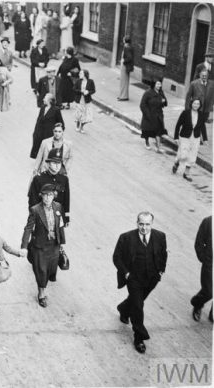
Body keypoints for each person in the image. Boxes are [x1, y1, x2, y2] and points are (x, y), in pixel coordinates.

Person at [113, 211, 168, 353]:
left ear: (152, 224)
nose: (144, 228)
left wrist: (161, 270)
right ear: (137, 223)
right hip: (134, 278)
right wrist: (126, 273)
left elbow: (163, 254)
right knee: (138, 306)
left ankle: (123, 309)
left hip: (152, 278)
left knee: (136, 301)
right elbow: (116, 257)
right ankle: (139, 337)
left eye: (147, 224)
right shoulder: (126, 238)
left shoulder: (160, 236)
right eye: (141, 224)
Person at [21, 184, 66, 308]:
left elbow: (60, 225)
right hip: (40, 246)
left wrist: (61, 243)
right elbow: (28, 229)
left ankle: (43, 285)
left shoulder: (58, 207)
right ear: (41, 196)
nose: (47, 198)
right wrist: (24, 246)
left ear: (53, 196)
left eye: (50, 195)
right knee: (41, 271)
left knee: (51, 269)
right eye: (45, 195)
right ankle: (41, 294)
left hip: (54, 246)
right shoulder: (35, 210)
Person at [28, 150, 71, 225]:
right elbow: (33, 201)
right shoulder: (38, 179)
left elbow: (66, 200)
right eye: (54, 163)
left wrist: (66, 218)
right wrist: (35, 219)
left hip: (58, 219)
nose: (57, 166)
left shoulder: (64, 179)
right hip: (42, 219)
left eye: (59, 163)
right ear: (48, 164)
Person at [172, 98, 208, 182]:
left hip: (195, 138)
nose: (196, 105)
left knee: (192, 155)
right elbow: (178, 125)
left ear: (200, 105)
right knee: (183, 155)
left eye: (198, 104)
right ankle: (177, 161)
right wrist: (176, 137)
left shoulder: (201, 114)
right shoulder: (185, 113)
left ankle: (186, 173)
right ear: (191, 104)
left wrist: (205, 139)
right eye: (194, 103)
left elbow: (203, 127)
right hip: (185, 136)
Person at [191, 216, 213, 322]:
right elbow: (199, 242)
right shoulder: (208, 221)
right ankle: (197, 303)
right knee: (209, 292)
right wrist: (205, 259)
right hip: (210, 264)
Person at [30, 93, 64, 159]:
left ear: (50, 100)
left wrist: (58, 133)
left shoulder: (56, 110)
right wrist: (35, 131)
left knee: (48, 149)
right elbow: (38, 119)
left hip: (49, 133)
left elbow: (61, 123)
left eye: (45, 98)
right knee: (38, 147)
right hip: (40, 132)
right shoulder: (43, 107)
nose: (43, 99)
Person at [140, 79, 168, 152]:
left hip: (158, 115)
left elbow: (165, 103)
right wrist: (147, 114)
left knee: (158, 131)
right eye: (158, 84)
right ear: (154, 84)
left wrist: (163, 101)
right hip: (149, 115)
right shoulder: (147, 93)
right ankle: (147, 142)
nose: (159, 86)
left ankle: (158, 148)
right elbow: (142, 105)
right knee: (147, 131)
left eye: (160, 84)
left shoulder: (161, 92)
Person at [73, 69, 95, 133]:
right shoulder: (78, 81)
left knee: (85, 115)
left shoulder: (91, 81)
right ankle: (77, 126)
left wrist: (88, 92)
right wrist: (81, 91)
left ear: (85, 75)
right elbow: (74, 89)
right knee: (78, 114)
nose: (79, 75)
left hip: (86, 101)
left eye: (81, 74)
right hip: (79, 100)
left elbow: (93, 90)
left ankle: (82, 127)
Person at [117, 36, 134, 101]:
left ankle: (123, 97)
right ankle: (122, 95)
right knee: (124, 81)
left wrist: (123, 60)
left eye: (123, 39)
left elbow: (129, 58)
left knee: (124, 81)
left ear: (125, 41)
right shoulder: (129, 47)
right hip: (126, 66)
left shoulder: (127, 48)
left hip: (125, 66)